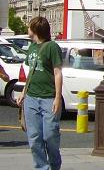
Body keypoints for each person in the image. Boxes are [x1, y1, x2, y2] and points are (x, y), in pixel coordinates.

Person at [17, 17, 63, 170]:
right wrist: (23, 92)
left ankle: (55, 165)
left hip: (48, 97)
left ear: (36, 29)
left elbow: (57, 73)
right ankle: (42, 167)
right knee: (34, 137)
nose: (27, 29)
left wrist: (57, 97)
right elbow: (32, 72)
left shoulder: (52, 47)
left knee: (50, 135)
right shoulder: (32, 48)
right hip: (31, 97)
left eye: (29, 26)